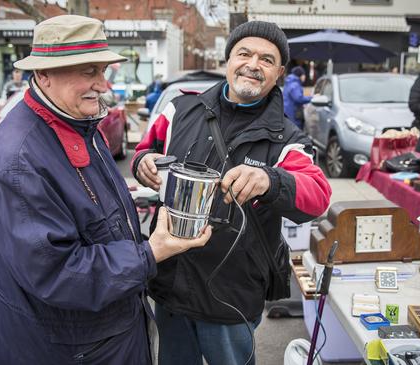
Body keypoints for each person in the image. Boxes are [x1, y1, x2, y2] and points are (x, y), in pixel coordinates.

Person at [0, 15, 211, 364]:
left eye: (103, 71)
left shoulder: (78, 124)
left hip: (105, 335)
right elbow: (56, 273)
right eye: (89, 71)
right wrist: (150, 253)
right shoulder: (20, 160)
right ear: (44, 75)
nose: (103, 85)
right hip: (74, 349)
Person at [132, 20, 332, 364]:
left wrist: (270, 180)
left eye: (267, 60)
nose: (254, 65)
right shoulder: (179, 110)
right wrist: (143, 163)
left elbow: (318, 195)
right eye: (245, 53)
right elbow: (144, 150)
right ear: (228, 60)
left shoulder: (288, 140)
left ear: (279, 72)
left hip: (231, 296)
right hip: (170, 284)